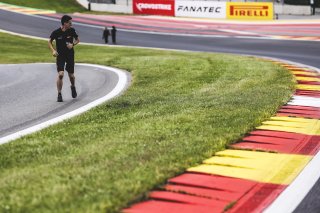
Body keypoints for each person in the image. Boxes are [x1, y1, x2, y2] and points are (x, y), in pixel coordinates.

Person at [48, 15, 80, 102]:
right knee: (61, 74)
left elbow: (77, 40)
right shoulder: (56, 32)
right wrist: (53, 51)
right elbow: (49, 41)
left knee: (71, 76)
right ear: (65, 23)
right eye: (70, 23)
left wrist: (72, 44)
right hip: (60, 55)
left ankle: (73, 86)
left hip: (70, 55)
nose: (71, 24)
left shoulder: (72, 31)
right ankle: (59, 94)